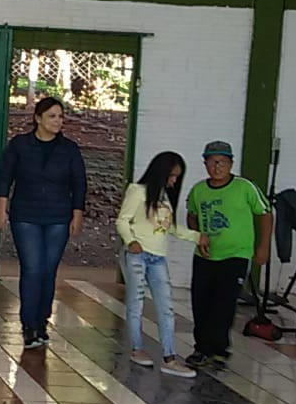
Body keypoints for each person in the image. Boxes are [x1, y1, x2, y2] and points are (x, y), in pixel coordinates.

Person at [0, 97, 87, 349]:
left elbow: (79, 183)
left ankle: (42, 321)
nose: (58, 121)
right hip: (26, 215)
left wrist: (77, 214)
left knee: (48, 270)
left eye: (61, 116)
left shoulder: (69, 149)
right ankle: (28, 325)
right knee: (32, 268)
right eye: (52, 116)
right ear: (38, 118)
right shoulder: (20, 145)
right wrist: (1, 210)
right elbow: (5, 177)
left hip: (58, 216)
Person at [184, 140, 271, 371]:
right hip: (205, 256)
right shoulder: (198, 190)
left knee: (224, 303)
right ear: (205, 164)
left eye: (222, 161)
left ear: (231, 163)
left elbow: (265, 213)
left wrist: (263, 246)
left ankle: (219, 349)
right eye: (212, 162)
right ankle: (201, 348)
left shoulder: (245, 187)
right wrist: (198, 235)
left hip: (235, 255)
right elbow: (191, 215)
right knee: (201, 302)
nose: (217, 167)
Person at [115, 151, 199, 378]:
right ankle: (136, 348)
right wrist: (131, 241)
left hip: (158, 257)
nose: (174, 181)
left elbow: (169, 228)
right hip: (137, 255)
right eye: (171, 176)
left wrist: (197, 237)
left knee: (166, 306)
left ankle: (170, 357)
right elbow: (123, 220)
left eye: (177, 177)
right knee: (136, 303)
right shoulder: (137, 191)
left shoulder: (164, 198)